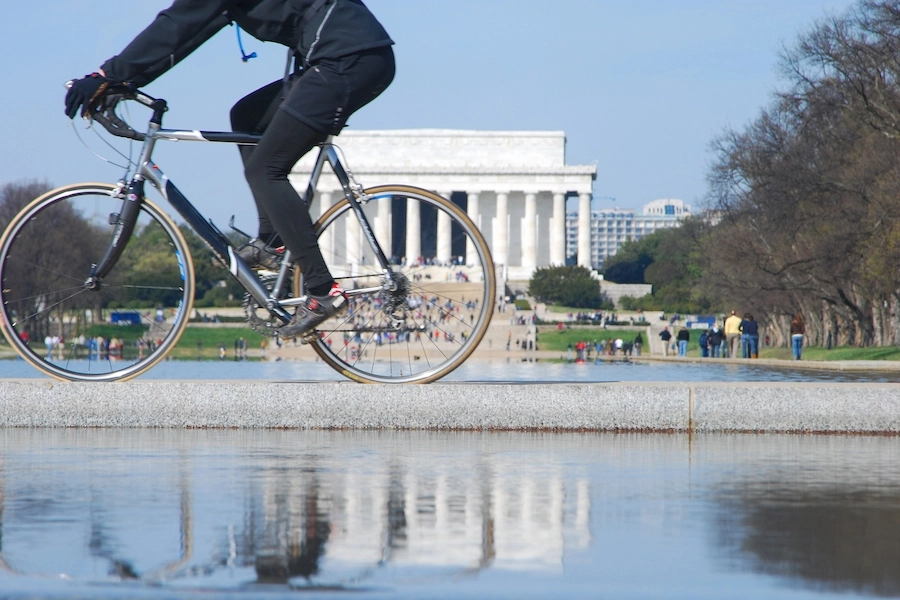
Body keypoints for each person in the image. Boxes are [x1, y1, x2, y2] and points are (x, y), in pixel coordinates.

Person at [64, 0, 395, 339]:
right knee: (247, 118)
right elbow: (193, 29)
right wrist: (125, 81)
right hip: (347, 56)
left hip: (348, 60)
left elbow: (177, 22)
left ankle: (323, 290)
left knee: (266, 169)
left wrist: (107, 75)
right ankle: (273, 242)